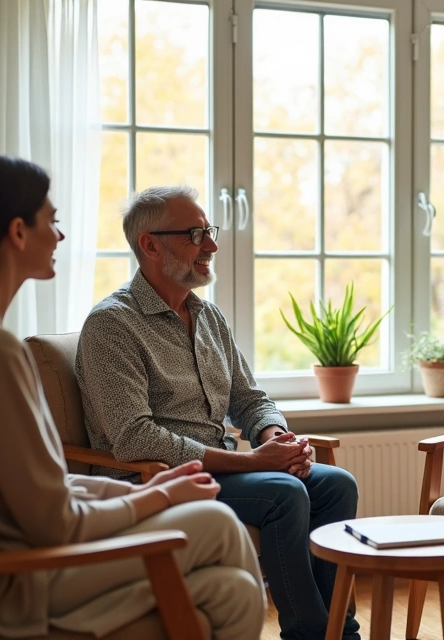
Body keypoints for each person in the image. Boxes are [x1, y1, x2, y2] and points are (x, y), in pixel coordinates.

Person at [0, 155, 265, 639]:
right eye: (51, 221)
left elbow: (40, 487)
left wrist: (145, 492)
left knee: (231, 590)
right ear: (18, 232)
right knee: (216, 524)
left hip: (19, 559)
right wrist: (157, 497)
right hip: (19, 581)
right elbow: (54, 521)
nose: (61, 236)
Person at [76, 185, 360, 640]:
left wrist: (276, 440)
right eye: (195, 234)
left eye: (209, 230)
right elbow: (134, 438)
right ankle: (311, 635)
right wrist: (253, 463)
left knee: (337, 484)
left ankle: (339, 632)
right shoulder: (111, 325)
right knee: (284, 494)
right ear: (150, 245)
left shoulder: (209, 317)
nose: (211, 245)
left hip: (225, 470)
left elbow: (250, 399)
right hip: (154, 481)